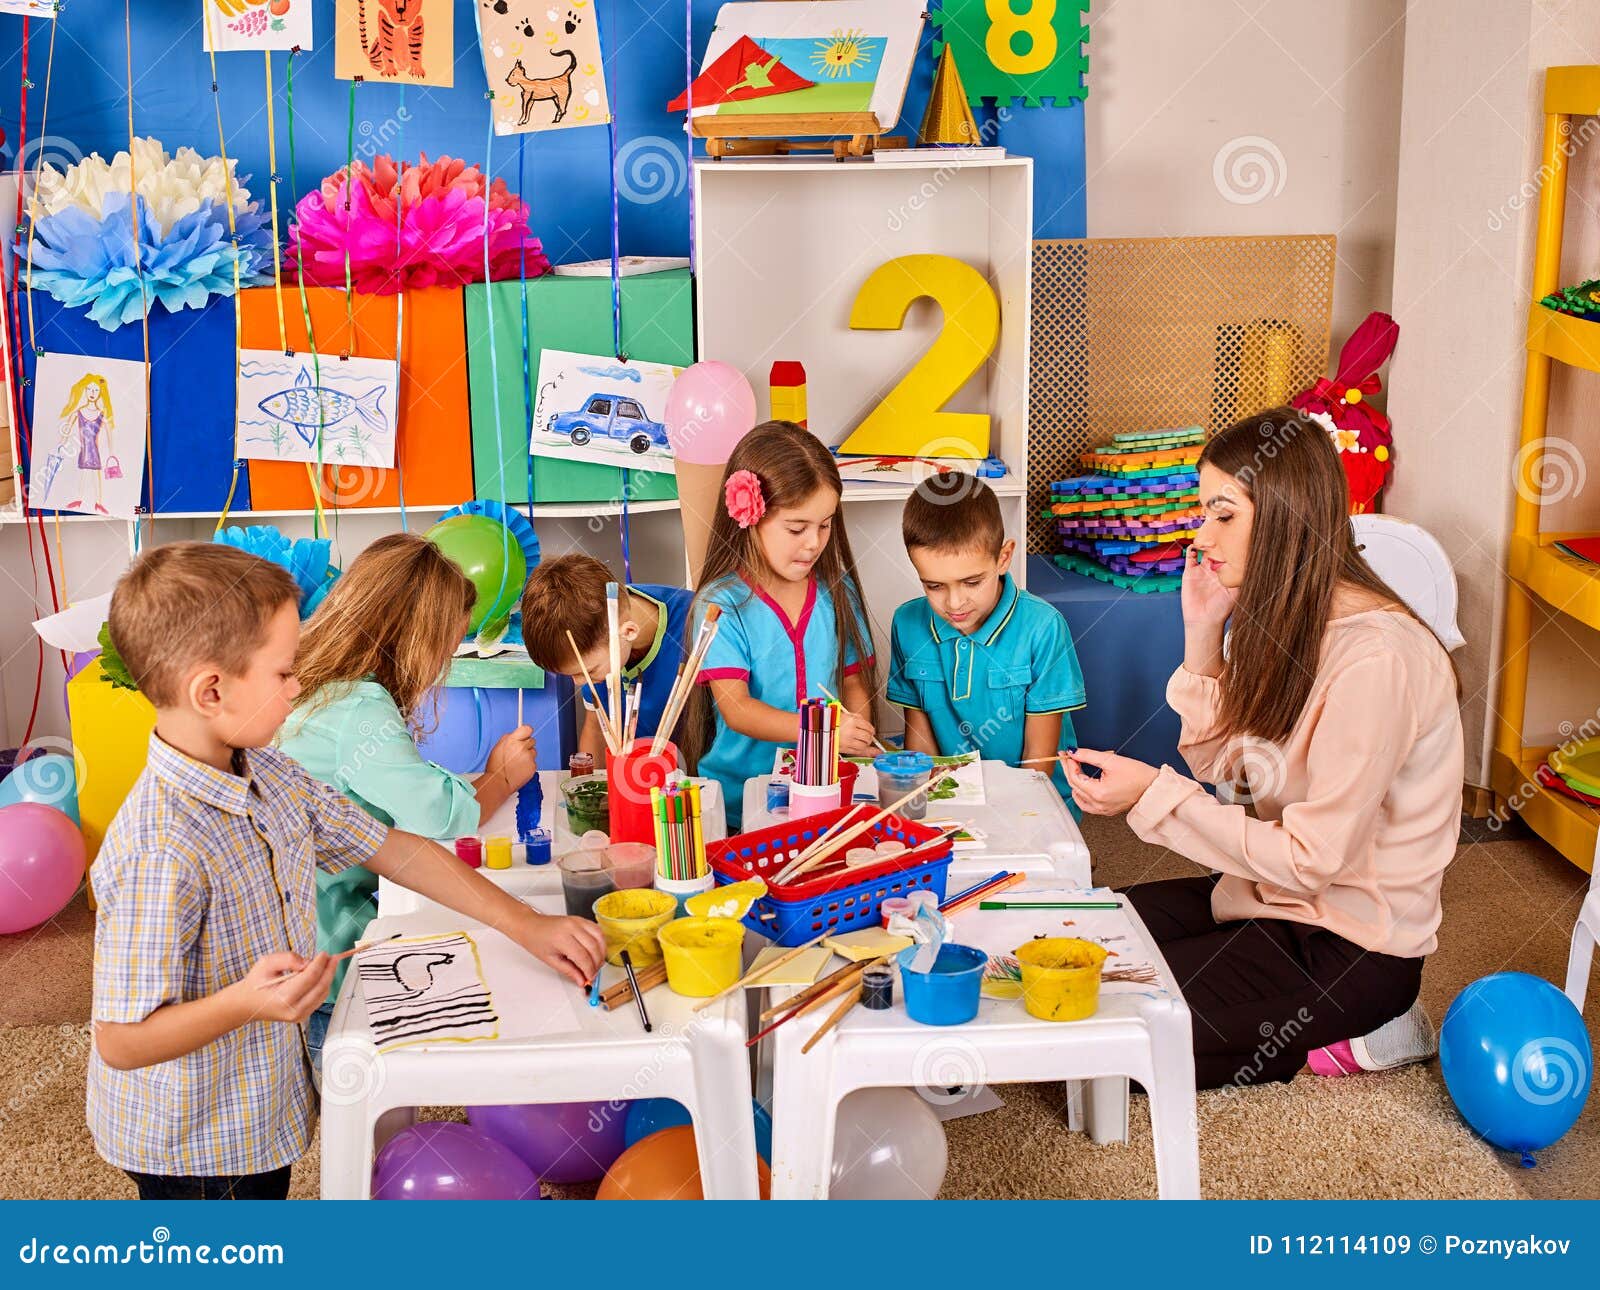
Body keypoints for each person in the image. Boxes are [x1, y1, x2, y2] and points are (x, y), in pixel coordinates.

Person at [87, 542, 604, 1200]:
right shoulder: (159, 847)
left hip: (256, 1105)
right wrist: (245, 1002)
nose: (301, 686)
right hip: (189, 1135)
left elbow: (394, 848)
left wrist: (526, 923)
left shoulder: (272, 772)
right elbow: (121, 1040)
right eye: (282, 674)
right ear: (211, 691)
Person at [1063, 409, 1462, 1088]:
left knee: (1095, 1037)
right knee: (1070, 946)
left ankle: (1365, 1026)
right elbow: (1226, 771)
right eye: (1201, 512)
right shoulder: (1290, 618)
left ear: (1282, 516)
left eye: (1222, 514)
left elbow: (1310, 861)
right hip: (1261, 896)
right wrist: (1201, 631)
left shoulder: (1376, 661)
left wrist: (1153, 796)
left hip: (1348, 947)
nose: (1201, 535)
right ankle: (1281, 1034)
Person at [277, 533, 540, 1064]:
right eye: (448, 642)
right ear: (415, 636)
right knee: (362, 1100)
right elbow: (441, 816)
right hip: (324, 948)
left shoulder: (312, 678)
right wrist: (501, 777)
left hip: (287, 932)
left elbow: (395, 786)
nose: (448, 657)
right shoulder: (360, 706)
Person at [681, 421, 878, 829]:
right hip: (736, 809)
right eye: (796, 528)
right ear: (749, 516)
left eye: (825, 525)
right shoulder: (721, 605)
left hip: (824, 797)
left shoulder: (838, 593)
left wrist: (855, 739)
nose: (814, 542)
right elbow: (737, 710)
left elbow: (855, 682)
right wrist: (824, 733)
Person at [888, 475, 1085, 807]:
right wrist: (932, 801)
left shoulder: (1044, 626)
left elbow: (1039, 764)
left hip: (1034, 800)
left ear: (1003, 557)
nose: (953, 603)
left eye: (971, 582)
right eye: (934, 586)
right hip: (950, 799)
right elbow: (920, 741)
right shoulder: (907, 624)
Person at [519, 554, 694, 760]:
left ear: (628, 632)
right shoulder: (593, 632)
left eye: (589, 671)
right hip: (632, 779)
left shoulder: (693, 622)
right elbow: (595, 729)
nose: (579, 682)